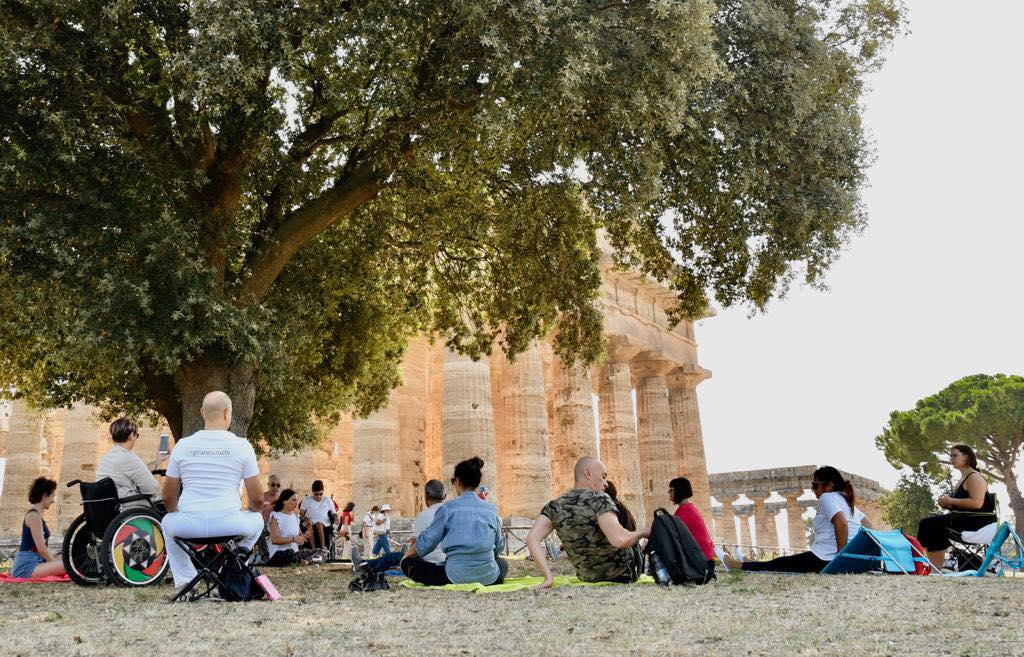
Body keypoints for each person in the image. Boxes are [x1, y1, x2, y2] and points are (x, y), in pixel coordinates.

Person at [160, 391, 265, 593]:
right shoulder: (242, 446)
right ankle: (229, 568)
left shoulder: (183, 445)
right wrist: (250, 510)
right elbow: (258, 499)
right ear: (228, 413)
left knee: (167, 523)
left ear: (201, 413)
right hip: (230, 523)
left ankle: (186, 582)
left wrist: (176, 512)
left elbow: (168, 497)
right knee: (257, 520)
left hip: (189, 526)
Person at [525, 456, 649, 588]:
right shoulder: (600, 499)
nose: (606, 483)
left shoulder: (555, 506)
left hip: (587, 577)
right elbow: (620, 540)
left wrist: (548, 577)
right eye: (603, 476)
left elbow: (532, 538)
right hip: (622, 575)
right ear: (588, 474)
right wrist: (644, 532)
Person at [723, 466, 870, 573]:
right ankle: (752, 563)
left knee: (779, 565)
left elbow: (841, 522)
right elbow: (869, 526)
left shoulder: (827, 497)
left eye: (815, 485)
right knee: (782, 562)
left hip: (825, 558)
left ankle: (736, 565)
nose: (813, 490)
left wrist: (841, 556)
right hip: (839, 557)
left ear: (830, 484)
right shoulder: (846, 501)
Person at [401, 457, 508, 586]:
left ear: (457, 481)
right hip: (489, 577)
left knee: (407, 564)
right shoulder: (491, 509)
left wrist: (406, 555)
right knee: (503, 563)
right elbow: (499, 545)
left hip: (455, 576)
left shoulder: (447, 509)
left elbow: (428, 541)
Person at [917, 444, 994, 570]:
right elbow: (962, 503)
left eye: (955, 455)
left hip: (977, 524)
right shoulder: (963, 478)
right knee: (927, 523)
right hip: (963, 519)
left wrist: (951, 500)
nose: (951, 458)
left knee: (932, 524)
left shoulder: (974, 477)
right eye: (950, 455)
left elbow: (977, 503)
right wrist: (947, 503)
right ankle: (933, 566)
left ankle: (936, 567)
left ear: (967, 457)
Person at [353, 479, 447, 574]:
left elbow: (416, 546)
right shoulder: (452, 514)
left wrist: (406, 556)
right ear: (445, 496)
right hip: (447, 566)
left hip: (427, 566)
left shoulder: (423, 515)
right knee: (385, 549)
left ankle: (363, 565)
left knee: (391, 557)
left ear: (426, 497)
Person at [96, 417, 163, 509]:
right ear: (131, 435)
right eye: (137, 435)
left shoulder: (108, 456)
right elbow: (152, 488)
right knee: (165, 499)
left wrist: (158, 460)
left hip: (109, 503)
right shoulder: (128, 458)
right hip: (126, 504)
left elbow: (137, 472)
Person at [10, 477, 66, 578]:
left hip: (36, 561)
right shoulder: (33, 516)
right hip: (27, 566)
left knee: (64, 558)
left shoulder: (37, 515)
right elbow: (41, 549)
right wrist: (54, 564)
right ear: (45, 496)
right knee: (67, 564)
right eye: (52, 496)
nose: (53, 501)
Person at [669, 477, 716, 573]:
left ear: (679, 490)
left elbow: (671, 534)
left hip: (701, 562)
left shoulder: (684, 511)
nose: (668, 492)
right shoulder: (689, 507)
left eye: (671, 490)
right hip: (707, 559)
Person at [266, 489, 311, 566]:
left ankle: (299, 560)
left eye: (297, 500)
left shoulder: (296, 517)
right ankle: (299, 561)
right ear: (284, 501)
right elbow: (275, 539)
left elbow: (299, 539)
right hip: (279, 555)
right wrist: (293, 539)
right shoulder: (276, 516)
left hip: (295, 553)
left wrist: (304, 536)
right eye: (293, 500)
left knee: (312, 552)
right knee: (289, 553)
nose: (296, 503)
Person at [300, 480, 333, 552]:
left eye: (320, 494)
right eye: (316, 494)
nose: (318, 496)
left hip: (324, 523)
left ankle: (323, 548)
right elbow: (301, 513)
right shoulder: (306, 499)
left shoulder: (328, 500)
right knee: (309, 526)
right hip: (309, 521)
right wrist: (306, 519)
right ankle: (313, 549)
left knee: (319, 524)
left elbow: (334, 513)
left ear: (323, 491)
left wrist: (336, 518)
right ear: (312, 492)